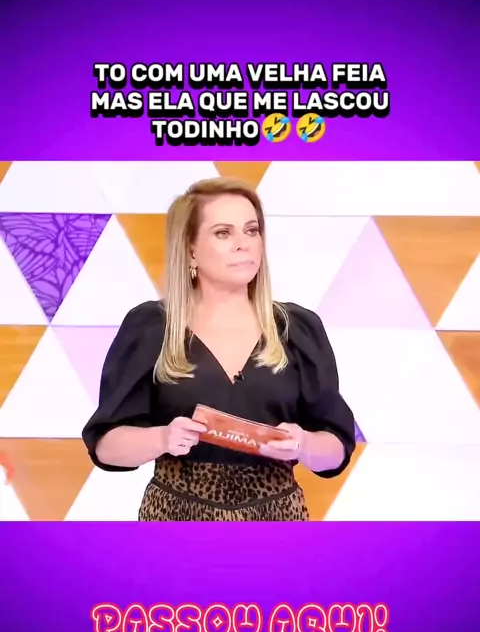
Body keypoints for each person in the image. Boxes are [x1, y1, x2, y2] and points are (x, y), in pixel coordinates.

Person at [81, 176, 355, 521]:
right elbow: (106, 446)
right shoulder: (151, 326)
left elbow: (336, 449)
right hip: (176, 518)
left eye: (252, 231)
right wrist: (162, 439)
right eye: (224, 233)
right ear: (190, 249)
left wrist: (303, 444)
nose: (244, 244)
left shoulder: (298, 328)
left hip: (276, 519)